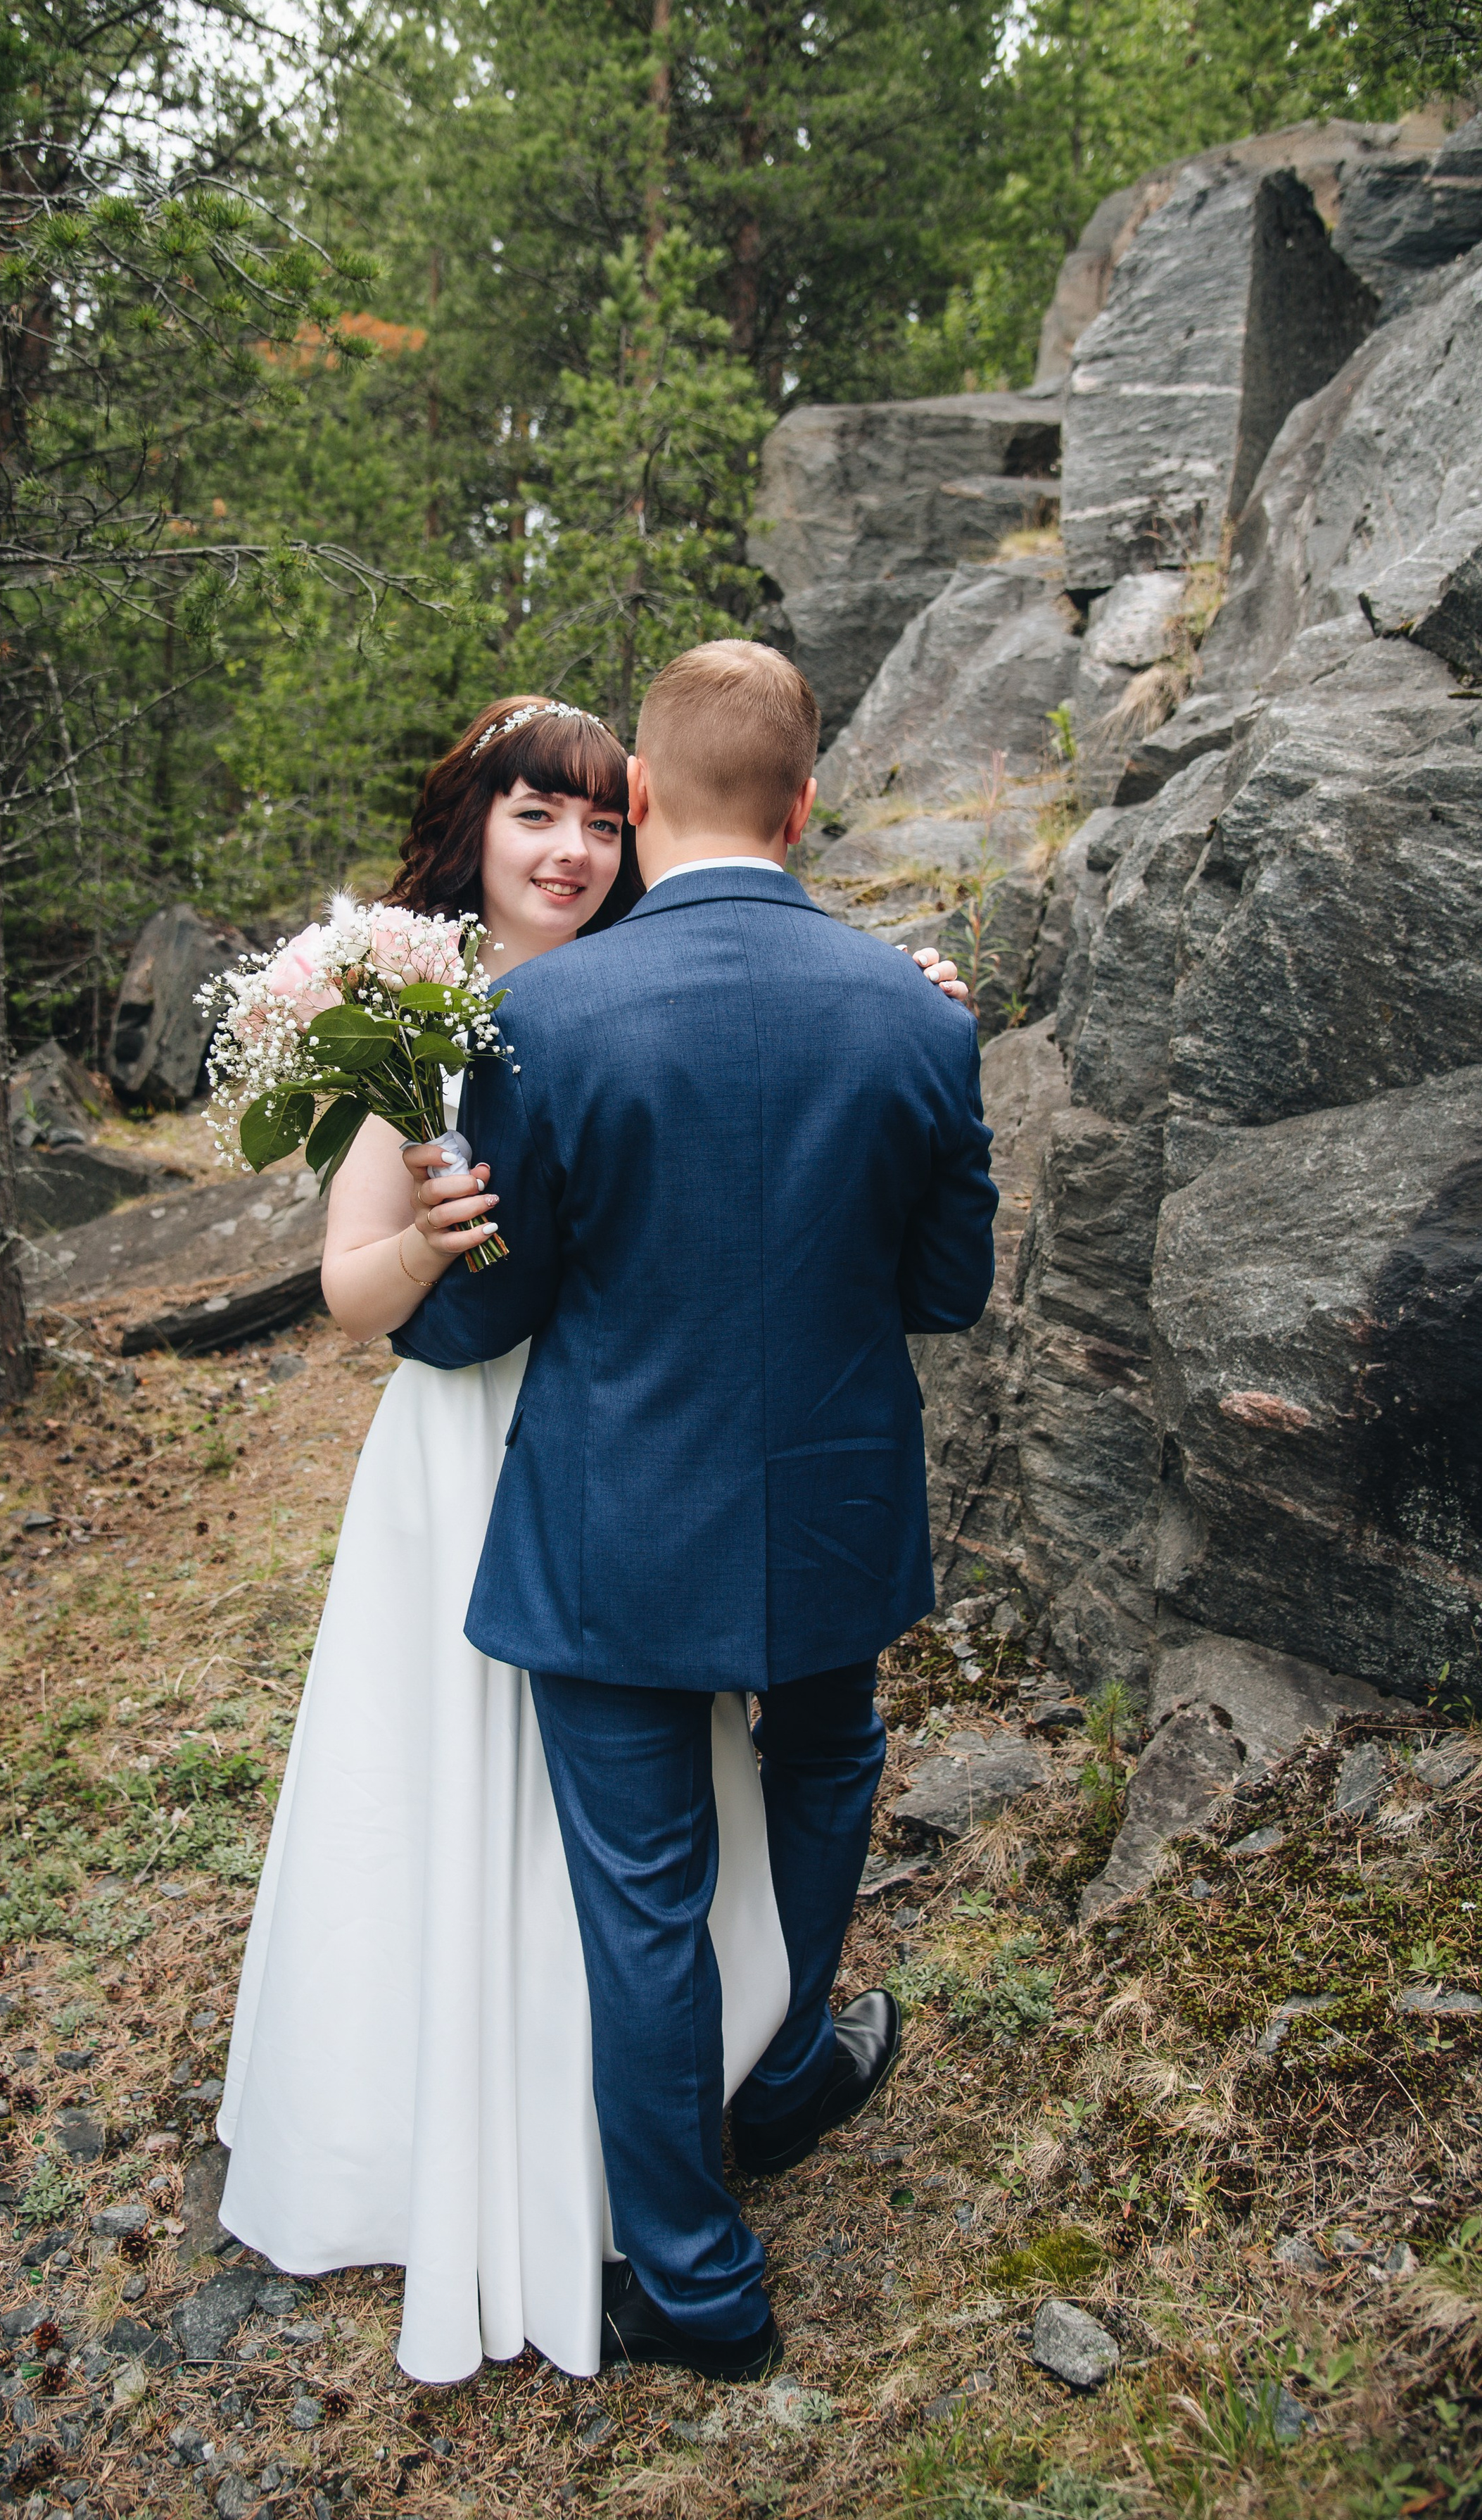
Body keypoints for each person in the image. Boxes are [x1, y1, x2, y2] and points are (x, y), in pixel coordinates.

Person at [393, 641, 996, 2381]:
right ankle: (790, 2062)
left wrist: (403, 1291)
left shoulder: (540, 1017)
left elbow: (490, 1307)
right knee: (822, 1769)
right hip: (826, 1507)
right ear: (805, 805)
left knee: (642, 1890)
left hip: (612, 1520)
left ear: (640, 803)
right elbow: (945, 1290)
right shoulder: (915, 1013)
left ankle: (695, 2279)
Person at [216, 696, 798, 2386]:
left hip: (630, 1441)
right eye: (536, 813)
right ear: (472, 827)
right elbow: (344, 1288)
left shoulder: (653, 989)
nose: (569, 850)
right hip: (464, 1451)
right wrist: (430, 1246)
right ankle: (453, 2135)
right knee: (461, 1793)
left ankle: (671, 2113)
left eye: (603, 822)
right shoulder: (406, 1013)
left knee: (635, 1828)